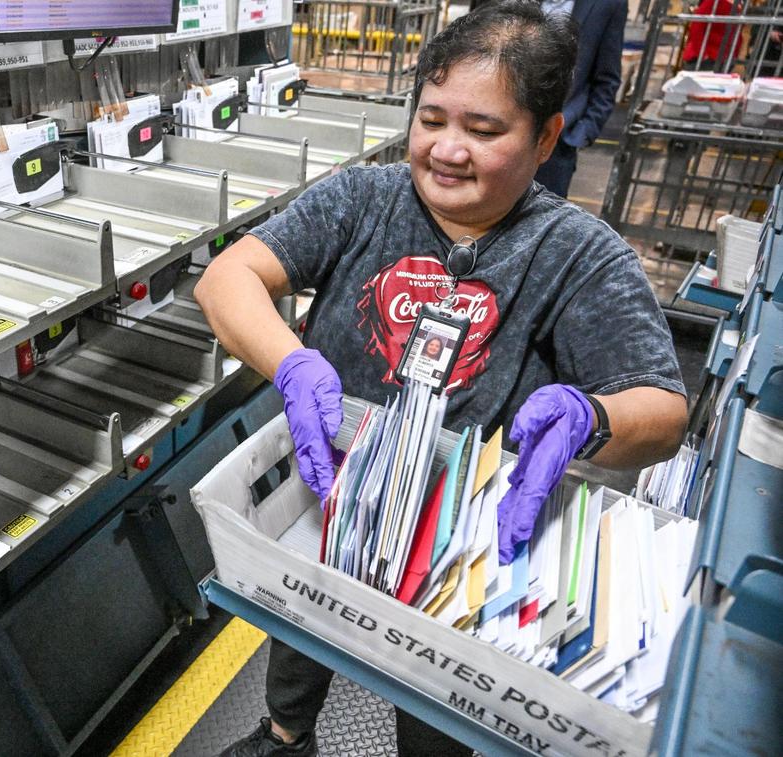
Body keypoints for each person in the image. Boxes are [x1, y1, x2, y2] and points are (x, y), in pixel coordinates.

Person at [193, 3, 687, 756]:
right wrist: (291, 362)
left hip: (466, 543)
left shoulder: (577, 252)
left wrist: (593, 416)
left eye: (484, 131)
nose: (447, 150)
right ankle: (287, 734)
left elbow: (664, 408)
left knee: (439, 706)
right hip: (339, 495)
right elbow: (228, 279)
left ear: (547, 135)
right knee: (298, 630)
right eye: (431, 120)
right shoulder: (363, 199)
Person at [533, 0, 627, 197]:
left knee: (542, 221)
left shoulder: (608, 5)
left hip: (558, 144)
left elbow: (607, 77)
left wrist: (584, 132)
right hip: (499, 130)